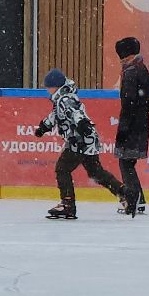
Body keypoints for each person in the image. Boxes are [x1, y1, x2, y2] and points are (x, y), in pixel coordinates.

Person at [34, 67, 124, 220]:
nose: (47, 89)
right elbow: (55, 115)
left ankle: (67, 204)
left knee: (62, 168)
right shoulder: (62, 98)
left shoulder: (65, 99)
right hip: (85, 140)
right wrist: (44, 127)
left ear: (56, 86)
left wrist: (83, 128)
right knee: (95, 172)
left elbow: (77, 114)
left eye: (48, 86)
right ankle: (123, 192)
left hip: (80, 140)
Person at [113, 36, 149, 217]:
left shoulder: (130, 72)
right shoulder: (142, 69)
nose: (120, 60)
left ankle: (133, 199)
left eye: (121, 56)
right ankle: (139, 199)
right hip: (141, 122)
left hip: (132, 124)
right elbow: (147, 101)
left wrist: (124, 128)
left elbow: (128, 103)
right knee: (128, 162)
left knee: (125, 162)